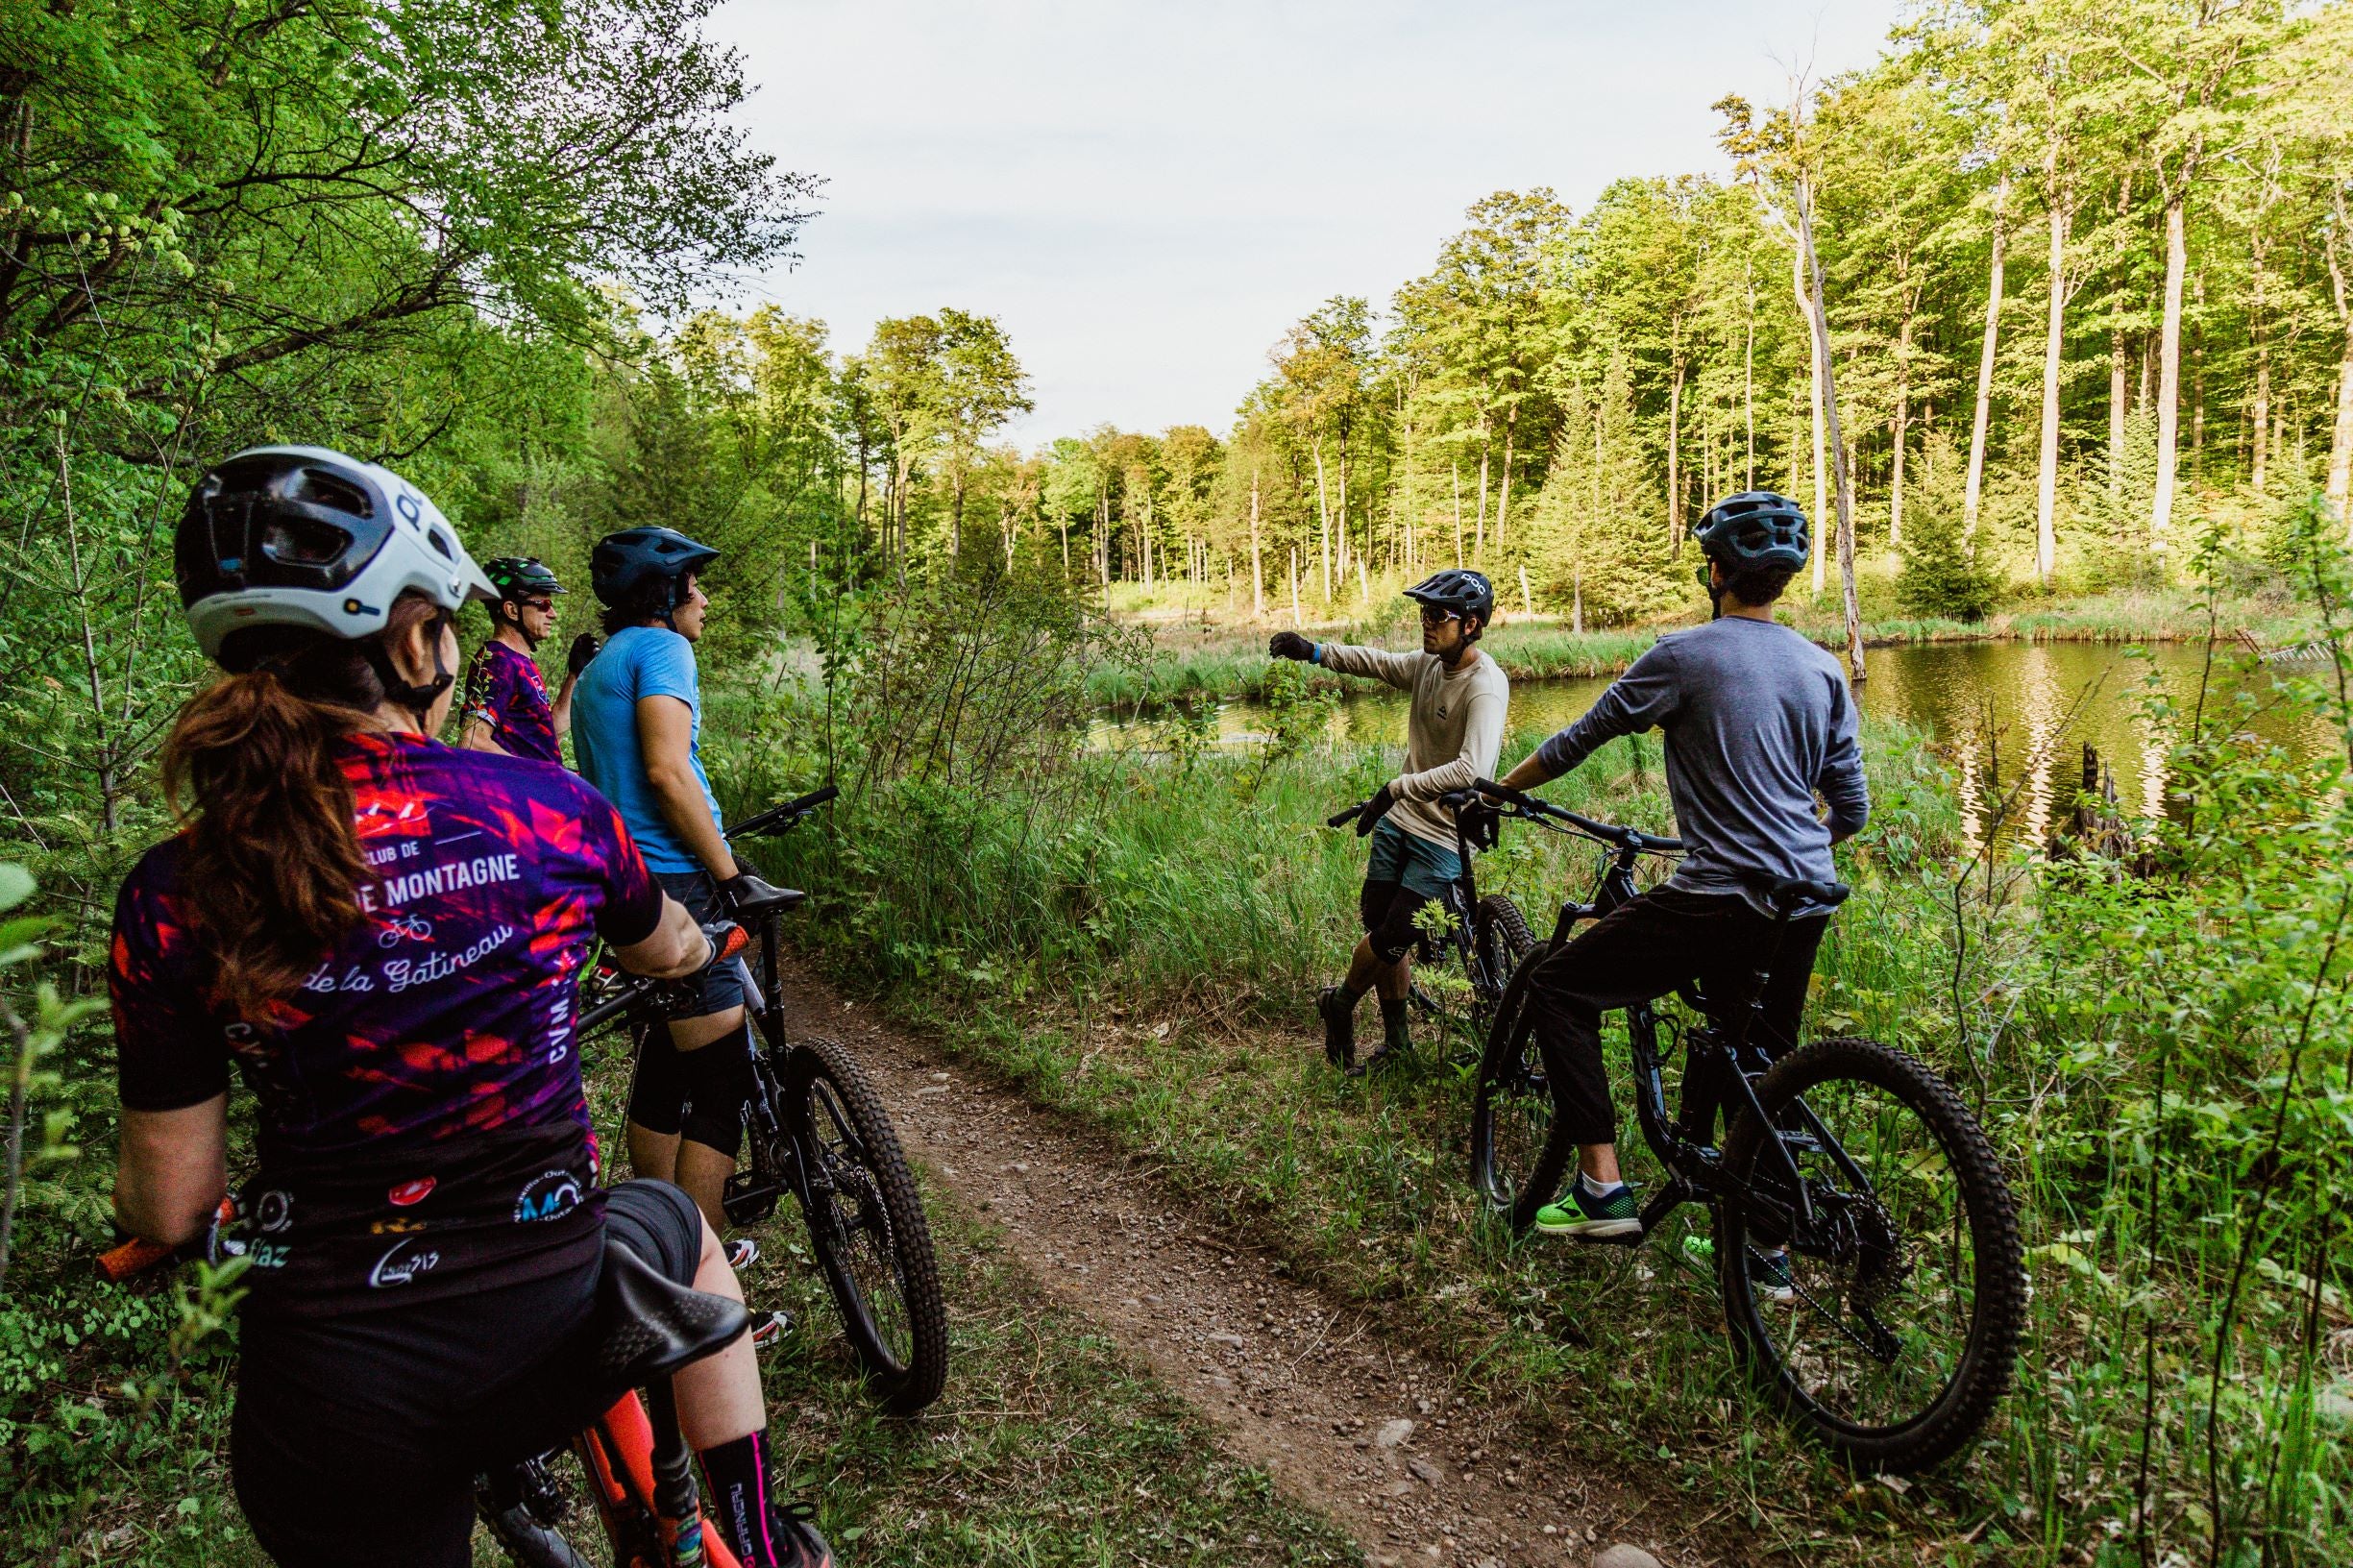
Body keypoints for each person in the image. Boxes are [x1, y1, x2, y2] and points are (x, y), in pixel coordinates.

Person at [110, 448, 827, 1568]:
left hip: (336, 1383)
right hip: (550, 1306)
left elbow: (168, 1208)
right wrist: (688, 938)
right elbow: (668, 944)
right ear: (409, 643)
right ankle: (753, 1542)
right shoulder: (547, 815)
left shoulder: (173, 889)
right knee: (686, 1233)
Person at [1488, 492, 1869, 1268]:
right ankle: (1764, 1254)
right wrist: (1792, 846)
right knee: (1755, 1064)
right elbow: (1850, 808)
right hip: (1807, 896)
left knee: (1559, 989)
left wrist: (1500, 791)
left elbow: (1577, 740)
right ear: (1782, 581)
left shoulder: (1684, 653)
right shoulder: (1820, 667)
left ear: (1715, 572)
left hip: (1722, 894)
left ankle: (1600, 1194)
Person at [571, 526, 785, 1237]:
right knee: (721, 1083)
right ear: (664, 593)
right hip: (677, 883)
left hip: (626, 881)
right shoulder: (664, 649)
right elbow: (667, 771)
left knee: (664, 1065)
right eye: (696, 586)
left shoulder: (604, 662)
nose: (707, 601)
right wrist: (729, 874)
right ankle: (699, 1274)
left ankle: (653, 1245)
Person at [1268, 569, 1509, 1074]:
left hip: (1442, 834)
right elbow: (1375, 663)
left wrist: (1397, 788)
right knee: (1378, 927)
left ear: (1469, 625)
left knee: (1393, 936)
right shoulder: (1427, 665)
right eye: (1423, 613)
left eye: (1437, 615)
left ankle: (1339, 1003)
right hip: (1398, 822)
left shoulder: (1484, 686)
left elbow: (1472, 770)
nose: (1426, 623)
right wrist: (1313, 651)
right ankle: (1398, 1046)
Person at [458, 555, 597, 763]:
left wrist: (575, 674)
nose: (553, 614)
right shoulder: (497, 662)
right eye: (543, 604)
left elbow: (550, 733)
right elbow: (472, 742)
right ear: (512, 610)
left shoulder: (520, 661)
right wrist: (536, 775)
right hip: (519, 792)